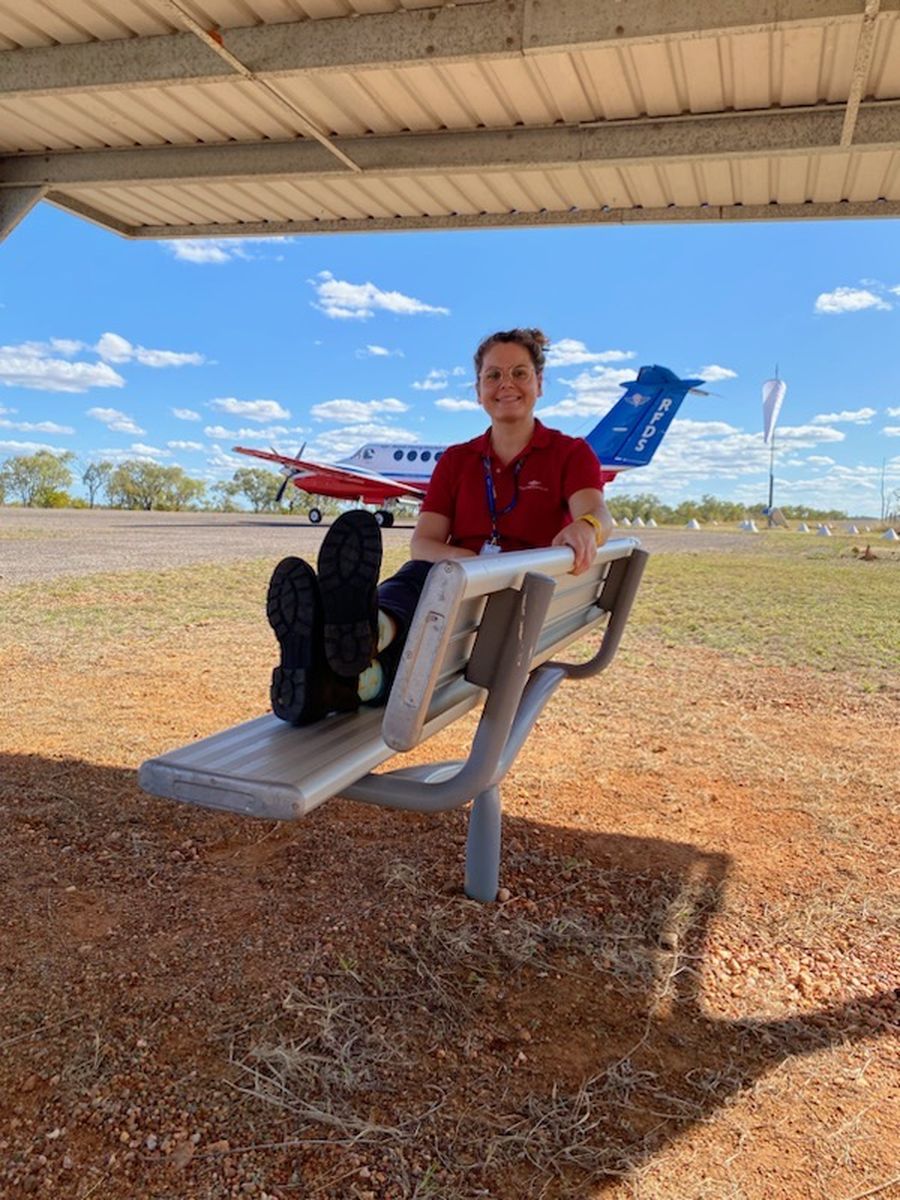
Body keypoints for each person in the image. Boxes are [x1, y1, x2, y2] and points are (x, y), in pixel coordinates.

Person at [266, 328, 613, 725]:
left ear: (539, 383)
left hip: (515, 599)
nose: (506, 384)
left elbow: (597, 512)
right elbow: (425, 544)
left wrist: (587, 526)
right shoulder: (456, 460)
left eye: (519, 373)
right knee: (425, 577)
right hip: (450, 591)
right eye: (493, 375)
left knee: (436, 598)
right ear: (478, 388)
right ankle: (355, 653)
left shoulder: (571, 453)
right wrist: (467, 566)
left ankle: (341, 642)